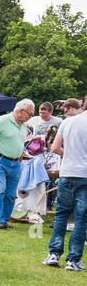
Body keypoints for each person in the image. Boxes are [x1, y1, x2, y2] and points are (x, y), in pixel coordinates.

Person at [43, 98, 87, 270]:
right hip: (84, 175)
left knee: (61, 215)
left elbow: (54, 148)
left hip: (67, 172)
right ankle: (73, 260)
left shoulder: (67, 122)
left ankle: (54, 254)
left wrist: (70, 155)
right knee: (81, 219)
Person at [0, 98, 36, 229]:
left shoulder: (23, 125)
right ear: (21, 111)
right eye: (30, 114)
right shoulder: (3, 120)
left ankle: (4, 220)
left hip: (15, 163)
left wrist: (21, 153)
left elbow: (18, 142)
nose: (31, 117)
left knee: (10, 194)